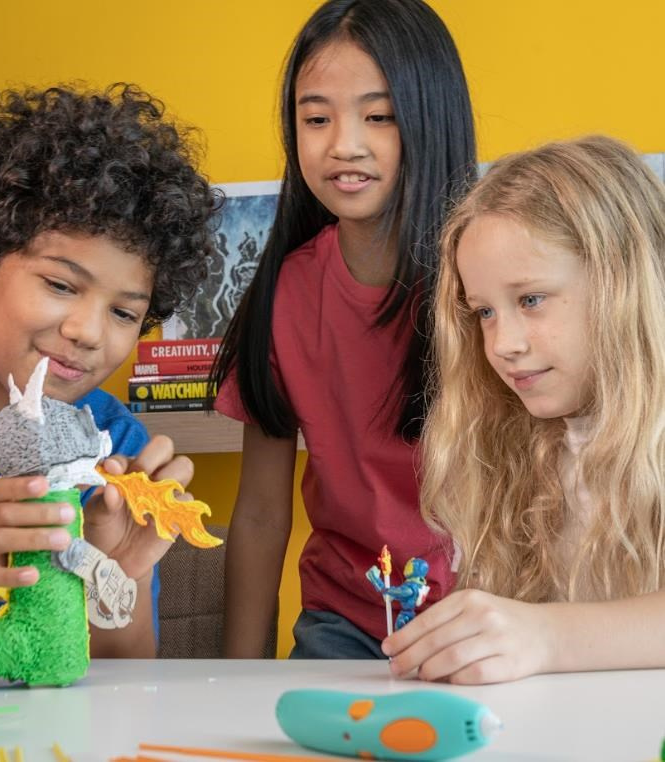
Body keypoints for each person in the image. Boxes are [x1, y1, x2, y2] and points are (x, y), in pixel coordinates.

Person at [0, 83, 219, 658]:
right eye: (61, 285)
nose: (88, 331)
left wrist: (120, 570)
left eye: (123, 313)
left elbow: (123, 677)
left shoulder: (115, 444)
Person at [211, 0, 476, 658]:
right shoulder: (284, 294)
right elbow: (262, 513)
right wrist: (239, 680)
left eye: (378, 116)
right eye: (316, 118)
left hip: (486, 612)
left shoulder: (488, 283)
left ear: (431, 118)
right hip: (347, 625)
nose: (343, 145)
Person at [384, 135, 665, 683]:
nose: (503, 344)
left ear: (624, 282)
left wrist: (545, 635)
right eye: (484, 312)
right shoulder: (510, 449)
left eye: (531, 300)